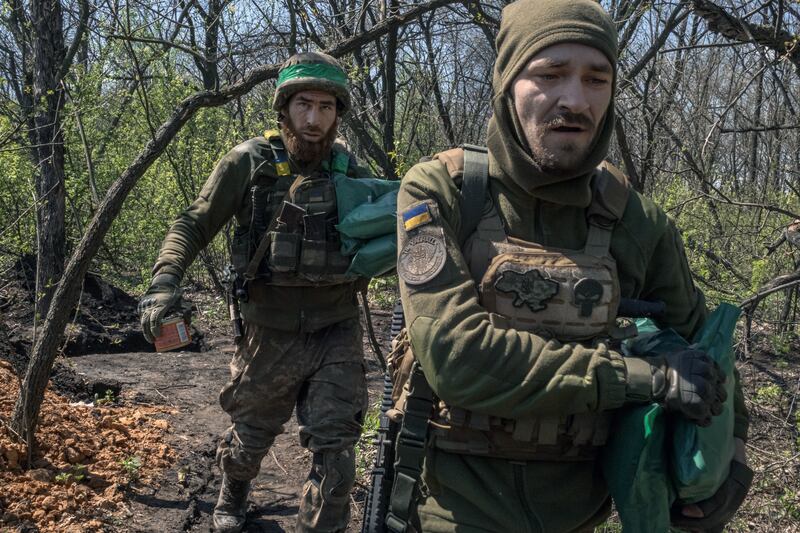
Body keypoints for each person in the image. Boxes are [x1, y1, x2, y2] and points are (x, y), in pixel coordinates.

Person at [393, 0, 751, 531]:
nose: (575, 99)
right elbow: (456, 356)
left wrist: (730, 461)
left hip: (582, 514)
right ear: (509, 82)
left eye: (596, 79)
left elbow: (706, 349)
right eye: (550, 74)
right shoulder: (442, 192)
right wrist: (643, 378)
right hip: (448, 510)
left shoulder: (636, 221)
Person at [138, 52, 371, 533]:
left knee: (337, 452)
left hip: (337, 330)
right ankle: (235, 491)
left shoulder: (351, 169)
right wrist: (164, 283)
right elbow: (193, 224)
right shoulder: (250, 162)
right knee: (250, 438)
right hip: (270, 331)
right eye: (303, 104)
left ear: (338, 112)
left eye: (326, 107)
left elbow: (387, 237)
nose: (314, 119)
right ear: (283, 108)